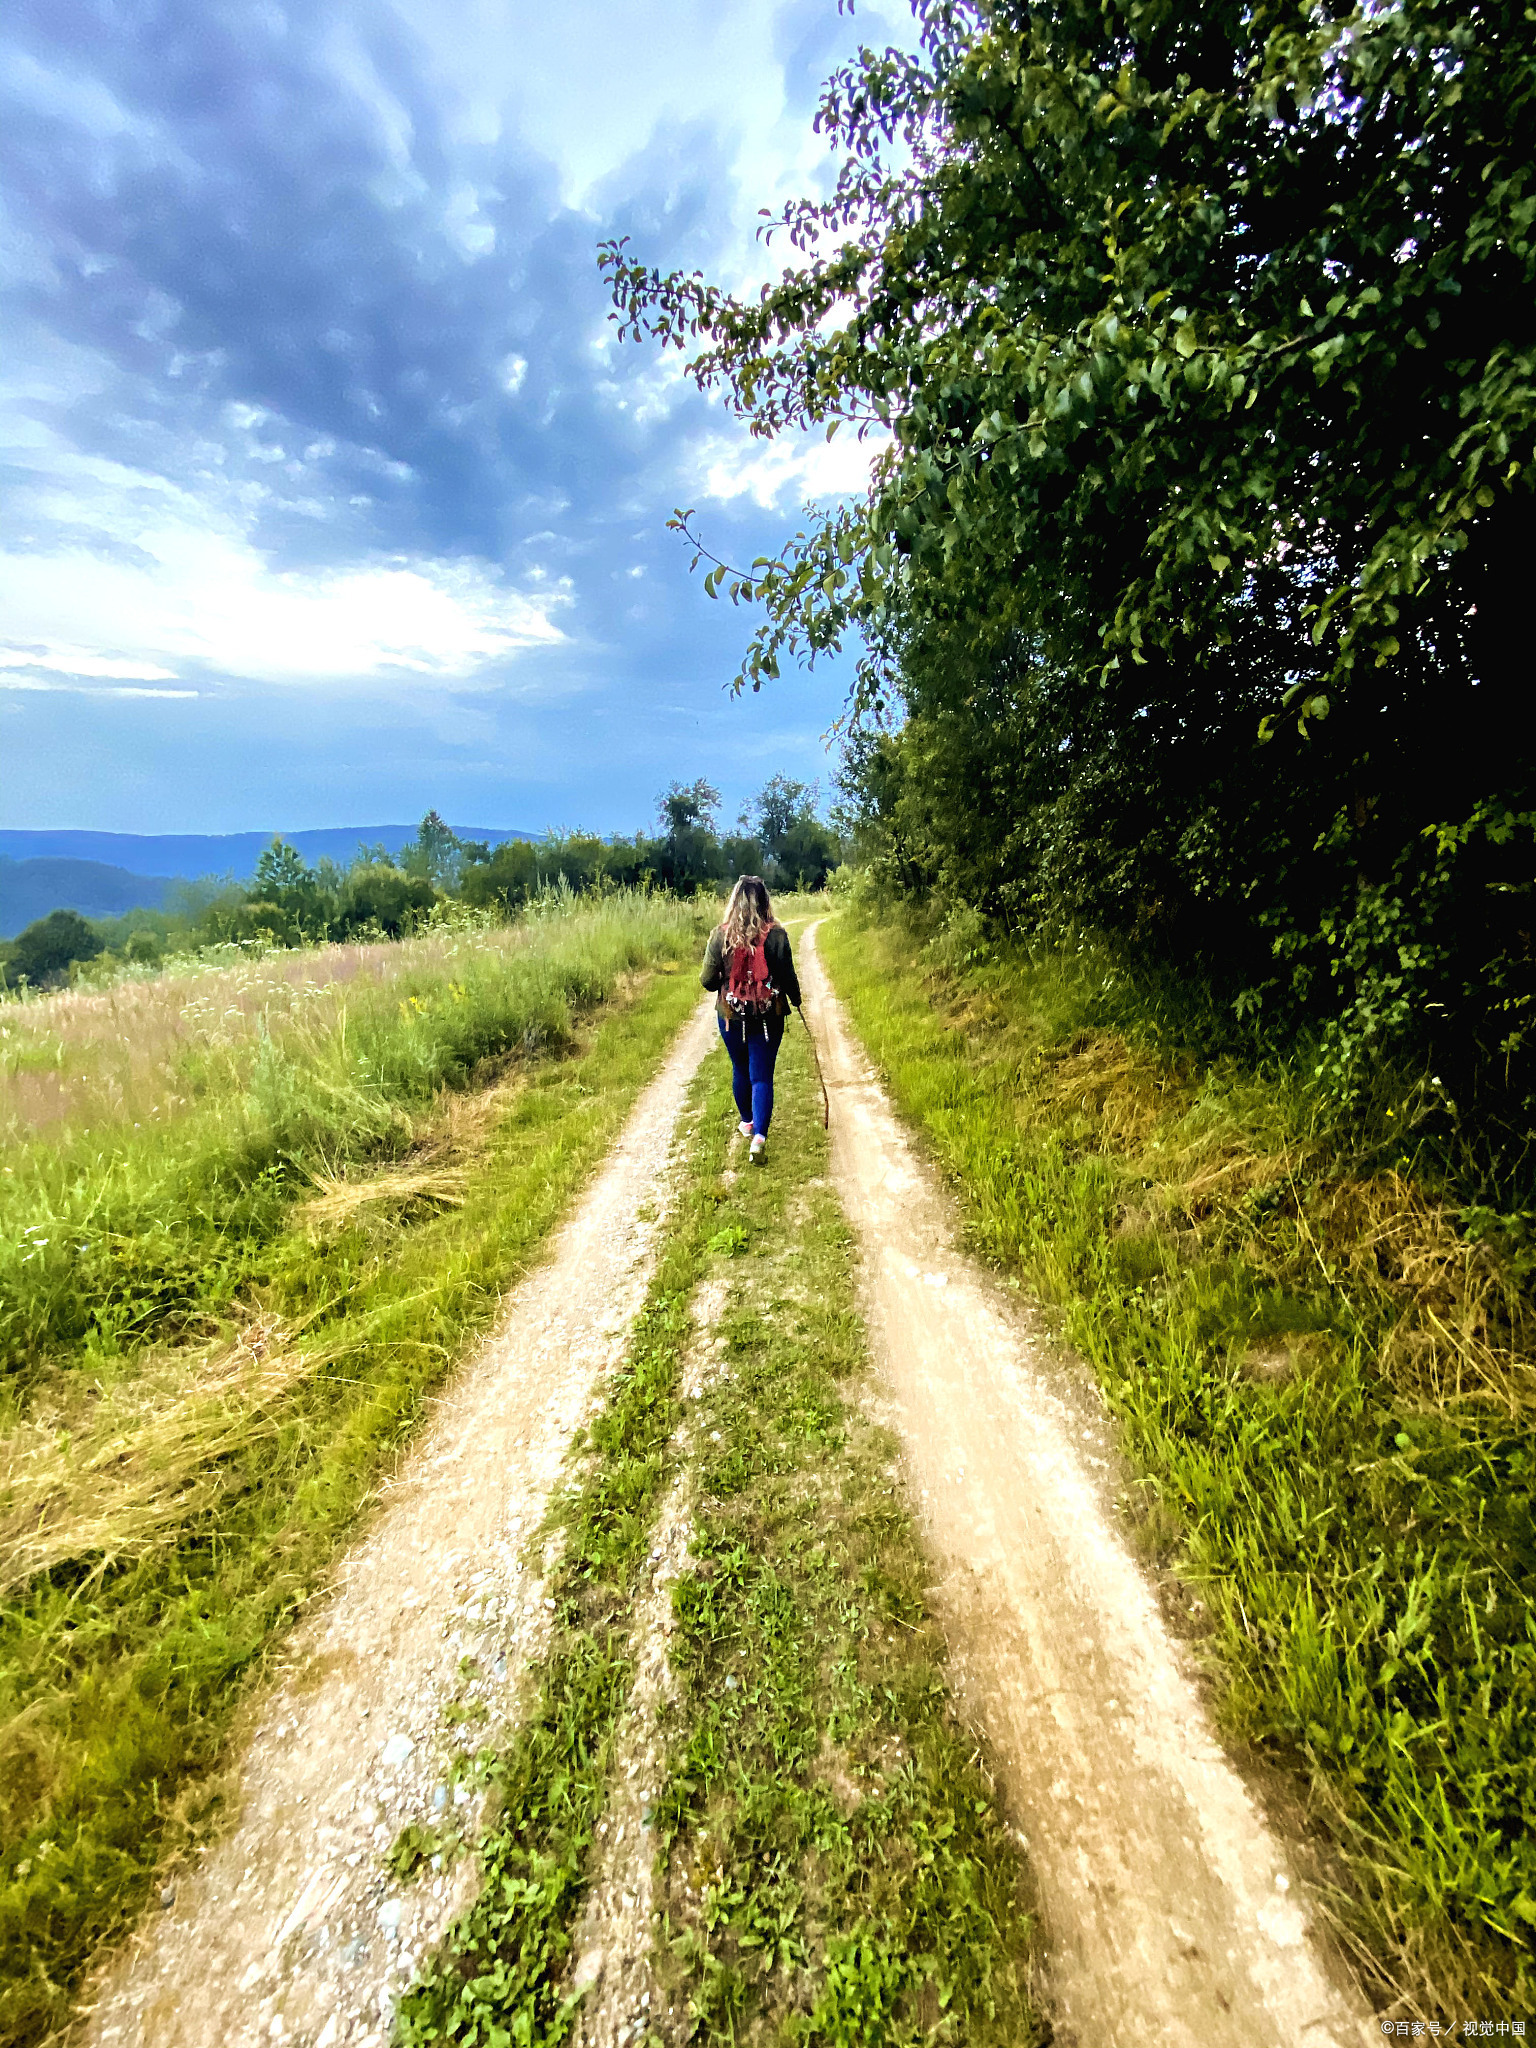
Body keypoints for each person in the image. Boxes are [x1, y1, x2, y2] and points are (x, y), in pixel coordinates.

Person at [701, 875, 801, 1161]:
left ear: (734, 902)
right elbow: (787, 976)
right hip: (769, 1017)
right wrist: (796, 999)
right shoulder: (778, 936)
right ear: (765, 901)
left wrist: (725, 975)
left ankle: (748, 1122)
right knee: (762, 1076)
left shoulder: (720, 936)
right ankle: (759, 1138)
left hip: (731, 1016)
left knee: (740, 1069)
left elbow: (707, 981)